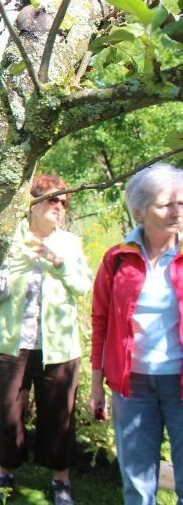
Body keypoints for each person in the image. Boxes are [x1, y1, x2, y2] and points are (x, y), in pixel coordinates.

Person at [0, 174, 92, 505]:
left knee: (59, 414)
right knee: (8, 413)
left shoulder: (70, 244)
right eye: (53, 200)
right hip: (9, 343)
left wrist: (57, 263)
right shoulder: (7, 238)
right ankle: (5, 474)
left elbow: (82, 286)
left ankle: (61, 481)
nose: (59, 207)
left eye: (64, 202)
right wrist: (18, 261)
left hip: (58, 346)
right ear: (33, 203)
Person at [89, 163, 183, 505]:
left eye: (181, 204)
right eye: (166, 204)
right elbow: (100, 321)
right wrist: (97, 383)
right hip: (133, 386)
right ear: (140, 212)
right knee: (137, 485)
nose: (177, 212)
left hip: (181, 383)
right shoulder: (116, 259)